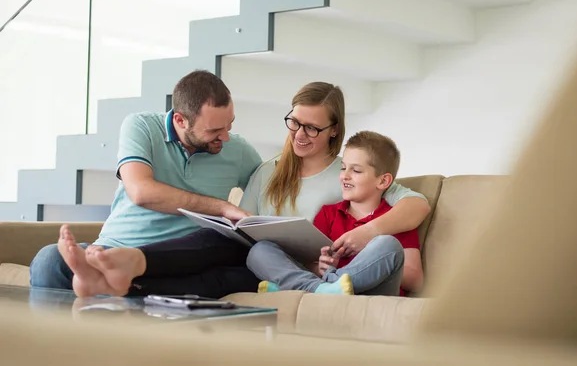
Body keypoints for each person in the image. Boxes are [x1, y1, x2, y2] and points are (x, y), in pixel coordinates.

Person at [56, 81, 431, 298]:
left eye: (312, 128)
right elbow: (244, 228)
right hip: (263, 261)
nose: (300, 135)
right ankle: (122, 277)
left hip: (307, 271)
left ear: (334, 129)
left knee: (222, 276)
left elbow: (415, 203)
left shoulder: (349, 173)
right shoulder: (267, 169)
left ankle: (127, 278)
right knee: (228, 244)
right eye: (294, 123)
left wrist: (364, 231)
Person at [30, 70, 263, 297]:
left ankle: (109, 283)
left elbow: (273, 189)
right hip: (114, 248)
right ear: (180, 120)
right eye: (214, 130)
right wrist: (221, 207)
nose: (225, 137)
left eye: (229, 124)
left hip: (178, 259)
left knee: (232, 263)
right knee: (48, 260)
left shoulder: (238, 151)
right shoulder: (142, 127)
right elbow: (141, 192)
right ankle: (104, 285)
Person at [246, 130, 423, 296]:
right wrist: (322, 267)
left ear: (383, 181)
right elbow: (312, 265)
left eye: (356, 170)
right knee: (260, 250)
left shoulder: (395, 219)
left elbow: (415, 280)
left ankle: (310, 287)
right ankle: (324, 290)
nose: (345, 176)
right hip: (325, 288)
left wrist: (358, 268)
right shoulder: (328, 214)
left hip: (373, 293)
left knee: (388, 245)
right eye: (343, 167)